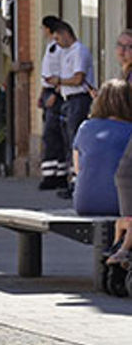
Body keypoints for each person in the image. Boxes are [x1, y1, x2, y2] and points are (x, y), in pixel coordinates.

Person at [72, 80, 132, 217]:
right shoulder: (129, 130)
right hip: (122, 204)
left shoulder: (85, 127)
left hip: (85, 203)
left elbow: (77, 168)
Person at [50, 20, 95, 197]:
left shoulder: (79, 51)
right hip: (69, 100)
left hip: (79, 100)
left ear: (65, 34)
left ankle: (79, 184)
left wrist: (59, 81)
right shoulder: (67, 52)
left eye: (57, 38)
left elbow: (78, 79)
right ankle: (73, 182)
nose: (57, 43)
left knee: (76, 141)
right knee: (69, 141)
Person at [38, 16, 67, 189]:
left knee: (52, 133)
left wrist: (55, 94)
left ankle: (55, 176)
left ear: (48, 29)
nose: (41, 31)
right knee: (50, 134)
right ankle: (52, 173)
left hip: (56, 94)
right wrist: (42, 94)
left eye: (42, 28)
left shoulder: (59, 49)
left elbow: (63, 73)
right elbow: (46, 74)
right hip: (48, 91)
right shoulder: (51, 47)